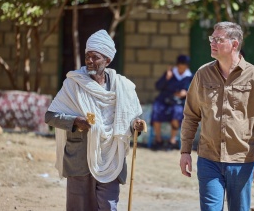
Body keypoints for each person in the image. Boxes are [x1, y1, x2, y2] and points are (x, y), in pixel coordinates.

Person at [45, 29, 145, 211]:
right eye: (87, 56)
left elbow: (129, 118)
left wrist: (135, 124)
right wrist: (75, 121)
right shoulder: (74, 83)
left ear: (107, 60)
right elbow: (50, 116)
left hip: (112, 156)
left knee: (108, 206)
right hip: (80, 158)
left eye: (95, 57)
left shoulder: (122, 86)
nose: (90, 61)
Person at [179, 22, 254, 211]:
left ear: (234, 44)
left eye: (218, 39)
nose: (212, 43)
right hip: (208, 160)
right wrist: (185, 152)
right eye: (211, 38)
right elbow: (191, 115)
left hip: (242, 161)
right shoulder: (202, 74)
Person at [151, 55, 193, 150]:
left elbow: (194, 91)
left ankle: (172, 140)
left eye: (184, 67)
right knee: (157, 108)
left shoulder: (190, 76)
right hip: (164, 99)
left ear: (187, 67)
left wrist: (186, 93)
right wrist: (166, 78)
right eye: (180, 66)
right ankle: (158, 139)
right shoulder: (170, 73)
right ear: (177, 65)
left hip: (178, 102)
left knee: (177, 111)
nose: (181, 69)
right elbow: (158, 86)